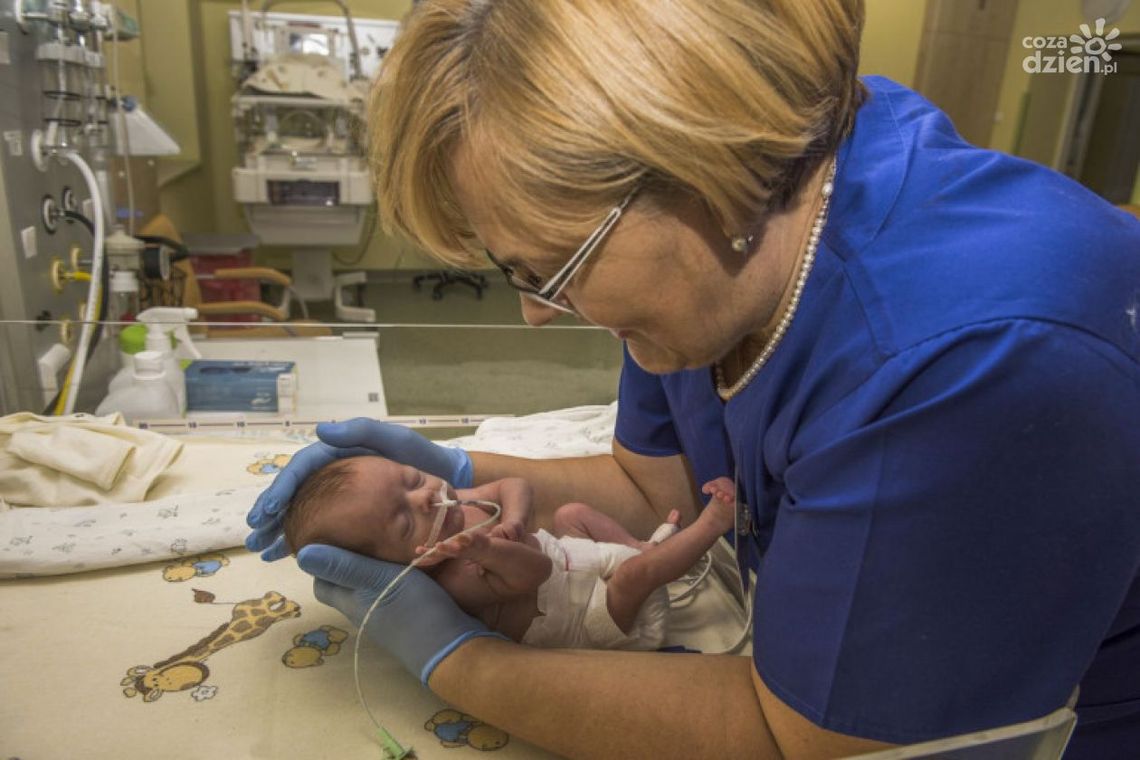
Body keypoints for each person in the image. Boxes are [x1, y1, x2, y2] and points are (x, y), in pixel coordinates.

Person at [247, 0, 1140, 757]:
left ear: (698, 169)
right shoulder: (732, 250)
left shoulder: (968, 364)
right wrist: (456, 475)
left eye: (553, 269)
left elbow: (800, 736)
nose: (537, 312)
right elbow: (651, 484)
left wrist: (463, 663)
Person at [281, 455, 736, 649]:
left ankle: (642, 548)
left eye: (412, 478)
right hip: (603, 619)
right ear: (402, 564)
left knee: (573, 512)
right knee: (636, 576)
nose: (425, 497)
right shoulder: (455, 578)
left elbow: (513, 486)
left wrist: (514, 519)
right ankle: (713, 525)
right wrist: (491, 548)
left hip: (583, 560)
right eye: (404, 520)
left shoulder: (455, 503)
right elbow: (535, 572)